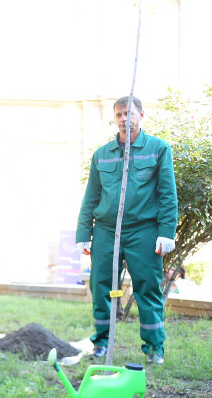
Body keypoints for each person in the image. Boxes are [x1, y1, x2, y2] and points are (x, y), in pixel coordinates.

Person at [76, 95, 178, 365]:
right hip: (107, 231)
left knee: (147, 287)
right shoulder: (102, 155)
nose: (124, 119)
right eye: (119, 114)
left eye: (129, 113)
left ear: (141, 115)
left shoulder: (158, 149)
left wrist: (167, 232)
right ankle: (101, 343)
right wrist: (82, 234)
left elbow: (168, 194)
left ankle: (155, 347)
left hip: (143, 231)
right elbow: (91, 198)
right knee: (101, 287)